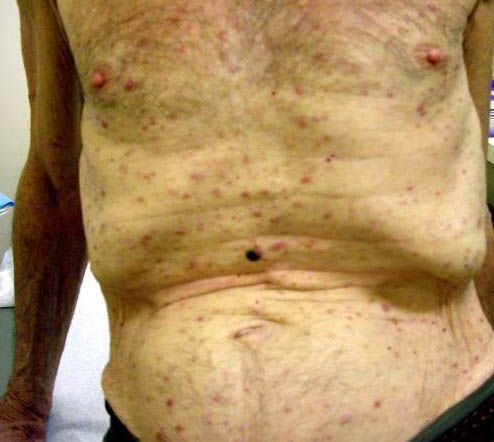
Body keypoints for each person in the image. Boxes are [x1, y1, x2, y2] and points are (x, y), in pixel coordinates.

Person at [1, 0, 494, 441]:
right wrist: (25, 405)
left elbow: (465, 184)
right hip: (147, 421)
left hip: (446, 417)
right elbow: (54, 185)